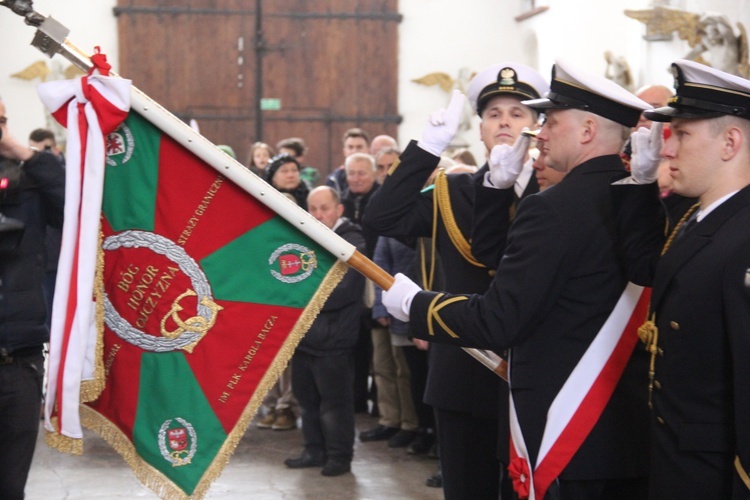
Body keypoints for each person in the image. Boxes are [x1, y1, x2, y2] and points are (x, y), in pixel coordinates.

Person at [382, 59, 654, 499]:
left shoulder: (553, 205)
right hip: (607, 416)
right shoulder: (631, 198)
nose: (539, 133)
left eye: (549, 120)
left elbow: (502, 315)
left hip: (562, 410)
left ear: (586, 132)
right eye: (495, 114)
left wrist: (417, 304)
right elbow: (497, 255)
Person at [365, 62, 548, 500]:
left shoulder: (552, 191)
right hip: (464, 368)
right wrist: (427, 149)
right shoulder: (454, 192)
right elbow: (380, 217)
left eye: (518, 113)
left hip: (531, 369)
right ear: (481, 130)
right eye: (493, 114)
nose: (504, 121)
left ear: (539, 127)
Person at [613, 59, 750, 499]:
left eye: (683, 135)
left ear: (730, 142)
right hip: (677, 463)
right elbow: (644, 266)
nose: (667, 149)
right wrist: (640, 181)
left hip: (713, 476)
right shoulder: (699, 217)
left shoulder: (743, 237)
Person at [0, 96, 65, 498]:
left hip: (17, 360)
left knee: (10, 485)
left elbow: (77, 205)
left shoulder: (28, 181)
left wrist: (22, 152)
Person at [284, 186, 365, 477]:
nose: (318, 214)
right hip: (306, 337)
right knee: (307, 401)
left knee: (335, 404)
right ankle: (313, 450)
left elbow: (344, 290)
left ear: (339, 210)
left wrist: (303, 295)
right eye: (313, 209)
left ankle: (340, 456)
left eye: (324, 208)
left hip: (335, 339)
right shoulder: (306, 240)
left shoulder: (353, 242)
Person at [325, 128, 370, 193]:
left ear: (368, 150)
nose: (354, 151)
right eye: (350, 147)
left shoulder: (377, 176)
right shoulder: (334, 180)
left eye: (359, 147)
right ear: (344, 151)